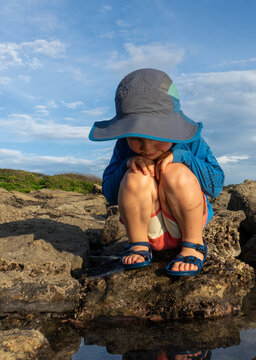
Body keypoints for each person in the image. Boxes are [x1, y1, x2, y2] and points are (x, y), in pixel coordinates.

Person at [89, 68, 224, 276]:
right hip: (146, 228)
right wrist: (128, 163)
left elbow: (215, 185)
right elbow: (109, 192)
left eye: (158, 137)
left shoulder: (190, 142)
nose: (148, 148)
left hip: (184, 225)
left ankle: (193, 245)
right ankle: (138, 246)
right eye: (137, 139)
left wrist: (182, 157)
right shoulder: (124, 146)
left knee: (176, 173)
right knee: (135, 176)